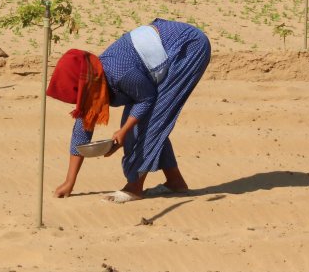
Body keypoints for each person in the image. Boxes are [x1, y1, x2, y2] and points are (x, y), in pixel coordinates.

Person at [46, 19, 210, 203]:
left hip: (187, 45)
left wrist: (123, 131)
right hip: (165, 48)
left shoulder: (118, 73)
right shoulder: (95, 80)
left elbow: (147, 99)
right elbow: (81, 132)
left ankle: (134, 187)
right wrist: (69, 182)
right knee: (140, 121)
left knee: (147, 122)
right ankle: (175, 182)